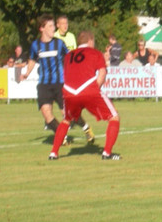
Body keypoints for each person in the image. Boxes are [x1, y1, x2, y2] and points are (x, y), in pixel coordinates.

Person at [20, 14, 94, 144]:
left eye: (53, 25)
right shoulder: (35, 45)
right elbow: (32, 59)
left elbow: (70, 59)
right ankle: (62, 137)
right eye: (50, 26)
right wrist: (26, 73)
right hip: (44, 84)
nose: (53, 28)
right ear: (41, 28)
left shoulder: (59, 43)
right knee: (46, 113)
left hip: (60, 83)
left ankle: (86, 128)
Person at [48, 31, 121, 160]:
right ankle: (107, 153)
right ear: (90, 41)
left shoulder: (68, 55)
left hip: (69, 92)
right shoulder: (95, 53)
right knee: (114, 117)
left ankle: (53, 153)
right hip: (88, 90)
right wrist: (94, 89)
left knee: (66, 120)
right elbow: (102, 73)